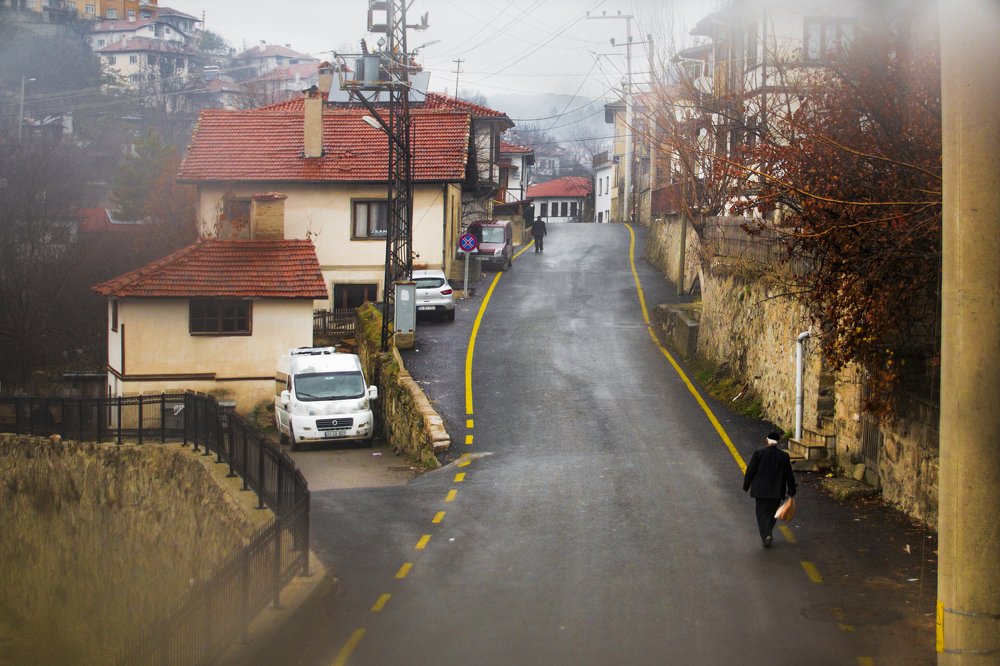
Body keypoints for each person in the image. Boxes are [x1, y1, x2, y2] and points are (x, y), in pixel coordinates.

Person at [742, 430, 796, 548]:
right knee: (772, 514)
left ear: (766, 440)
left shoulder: (758, 454)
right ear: (778, 442)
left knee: (761, 513)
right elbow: (789, 475)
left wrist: (746, 485)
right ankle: (768, 533)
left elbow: (750, 471)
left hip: (760, 491)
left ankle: (766, 535)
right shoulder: (784, 456)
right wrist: (791, 489)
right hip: (776, 492)